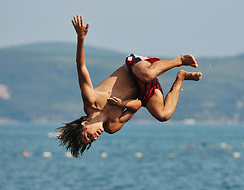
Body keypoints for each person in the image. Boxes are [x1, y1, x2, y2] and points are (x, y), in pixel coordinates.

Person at [57, 15, 202, 157]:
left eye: (88, 136)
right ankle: (181, 77)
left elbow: (81, 66)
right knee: (163, 115)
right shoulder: (112, 127)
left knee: (147, 75)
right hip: (142, 91)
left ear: (85, 123)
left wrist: (81, 38)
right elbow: (138, 104)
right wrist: (122, 103)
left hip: (135, 68)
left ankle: (180, 60)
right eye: (91, 141)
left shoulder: (91, 99)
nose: (95, 138)